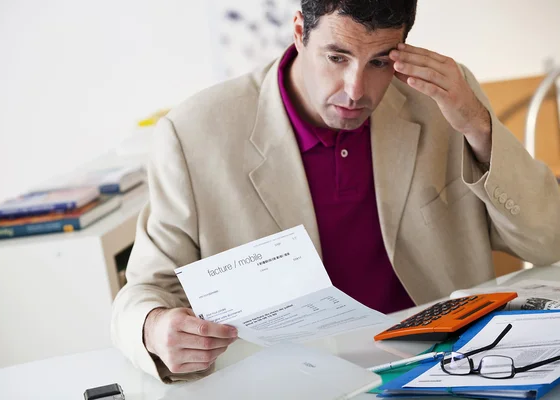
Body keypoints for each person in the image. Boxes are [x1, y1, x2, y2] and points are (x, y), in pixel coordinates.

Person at [111, 0, 560, 383]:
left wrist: (478, 126)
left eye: (380, 62)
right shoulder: (192, 135)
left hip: (445, 368)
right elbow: (146, 289)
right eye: (337, 57)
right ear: (299, 33)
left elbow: (550, 240)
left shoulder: (442, 99)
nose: (356, 91)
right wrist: (153, 328)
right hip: (287, 382)